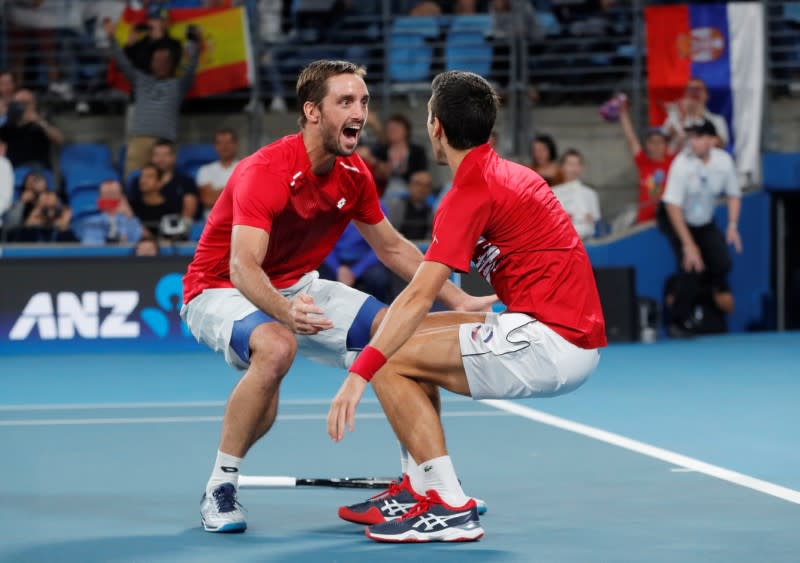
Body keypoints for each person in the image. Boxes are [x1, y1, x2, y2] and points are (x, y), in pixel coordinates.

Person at [179, 60, 494, 534]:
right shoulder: (264, 171)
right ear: (312, 111)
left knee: (396, 331)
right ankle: (221, 485)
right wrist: (284, 312)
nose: (360, 112)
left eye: (363, 101)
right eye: (345, 101)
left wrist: (457, 299)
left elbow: (390, 247)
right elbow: (242, 266)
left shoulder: (354, 174)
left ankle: (427, 482)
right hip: (219, 288)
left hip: (298, 286)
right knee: (277, 346)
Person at [327, 70, 607, 543]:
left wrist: (359, 376)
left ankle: (449, 505)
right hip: (547, 328)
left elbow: (416, 294)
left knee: (387, 358)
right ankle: (419, 489)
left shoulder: (471, 190)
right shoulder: (503, 172)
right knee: (401, 344)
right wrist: (463, 303)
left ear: (435, 126)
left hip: (553, 342)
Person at [657, 119, 742, 336]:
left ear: (713, 140)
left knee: (723, 262)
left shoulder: (724, 162)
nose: (693, 142)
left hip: (704, 220)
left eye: (699, 137)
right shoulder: (681, 164)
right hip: (675, 218)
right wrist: (688, 245)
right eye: (691, 137)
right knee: (692, 266)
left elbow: (733, 194)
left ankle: (709, 293)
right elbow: (672, 206)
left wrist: (733, 225)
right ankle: (678, 321)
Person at [102, 18, 200, 178]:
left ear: (171, 64)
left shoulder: (178, 85)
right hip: (140, 140)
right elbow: (122, 62)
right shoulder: (140, 79)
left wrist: (195, 44)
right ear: (151, 62)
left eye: (165, 60)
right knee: (133, 180)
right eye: (157, 60)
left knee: (166, 182)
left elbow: (191, 68)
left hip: (166, 141)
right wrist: (112, 39)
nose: (161, 64)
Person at [615, 96, 676, 223]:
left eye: (660, 142)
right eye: (652, 142)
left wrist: (673, 112)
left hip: (668, 219)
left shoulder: (673, 161)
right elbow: (631, 138)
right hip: (644, 219)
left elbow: (681, 134)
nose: (656, 146)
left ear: (666, 145)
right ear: (646, 145)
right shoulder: (643, 162)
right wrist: (623, 113)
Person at [0, 89, 64, 170]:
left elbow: (59, 140)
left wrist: (39, 121)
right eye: (19, 103)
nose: (23, 107)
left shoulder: (42, 123)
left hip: (38, 171)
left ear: (34, 104)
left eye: (26, 103)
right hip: (12, 169)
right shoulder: (6, 126)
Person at [663, 78, 729, 150]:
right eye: (690, 89)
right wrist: (681, 117)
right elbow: (664, 146)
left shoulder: (717, 120)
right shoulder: (672, 120)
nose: (694, 92)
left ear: (707, 96)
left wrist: (702, 117)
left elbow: (721, 144)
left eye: (698, 89)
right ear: (685, 95)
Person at [74, 179, 143, 245]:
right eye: (107, 194)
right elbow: (91, 245)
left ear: (122, 197)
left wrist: (129, 215)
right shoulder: (91, 221)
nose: (110, 197)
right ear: (100, 198)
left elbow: (139, 241)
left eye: (113, 193)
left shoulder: (130, 220)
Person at [552, 148, 601, 240]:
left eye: (577, 164)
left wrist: (591, 219)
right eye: (570, 164)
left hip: (587, 244)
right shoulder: (552, 193)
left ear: (581, 167)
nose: (574, 169)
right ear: (562, 168)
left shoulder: (591, 193)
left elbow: (597, 223)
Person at [196, 128, 239, 217]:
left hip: (238, 223)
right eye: (220, 143)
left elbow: (245, 199)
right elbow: (207, 199)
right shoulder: (205, 170)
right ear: (215, 146)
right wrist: (234, 190)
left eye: (228, 142)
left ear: (236, 144)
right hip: (212, 224)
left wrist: (216, 191)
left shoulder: (246, 168)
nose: (224, 146)